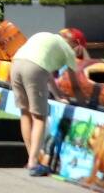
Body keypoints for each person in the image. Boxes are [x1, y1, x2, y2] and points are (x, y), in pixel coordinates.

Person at [11, 27, 89, 177]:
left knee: (25, 113)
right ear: (77, 44)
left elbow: (47, 74)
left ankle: (31, 158)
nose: (79, 54)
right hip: (34, 68)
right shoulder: (67, 50)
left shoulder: (46, 37)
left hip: (16, 64)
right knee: (39, 117)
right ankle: (34, 163)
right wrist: (84, 106)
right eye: (80, 50)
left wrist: (58, 95)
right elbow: (75, 86)